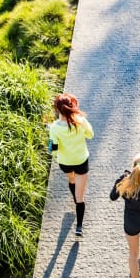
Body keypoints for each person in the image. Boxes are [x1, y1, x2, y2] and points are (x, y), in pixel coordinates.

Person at [48, 93, 94, 236]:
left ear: (57, 109)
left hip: (65, 162)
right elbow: (90, 135)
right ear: (72, 106)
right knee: (81, 198)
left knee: (71, 179)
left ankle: (74, 196)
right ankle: (79, 227)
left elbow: (54, 150)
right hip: (81, 161)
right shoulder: (80, 121)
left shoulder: (54, 127)